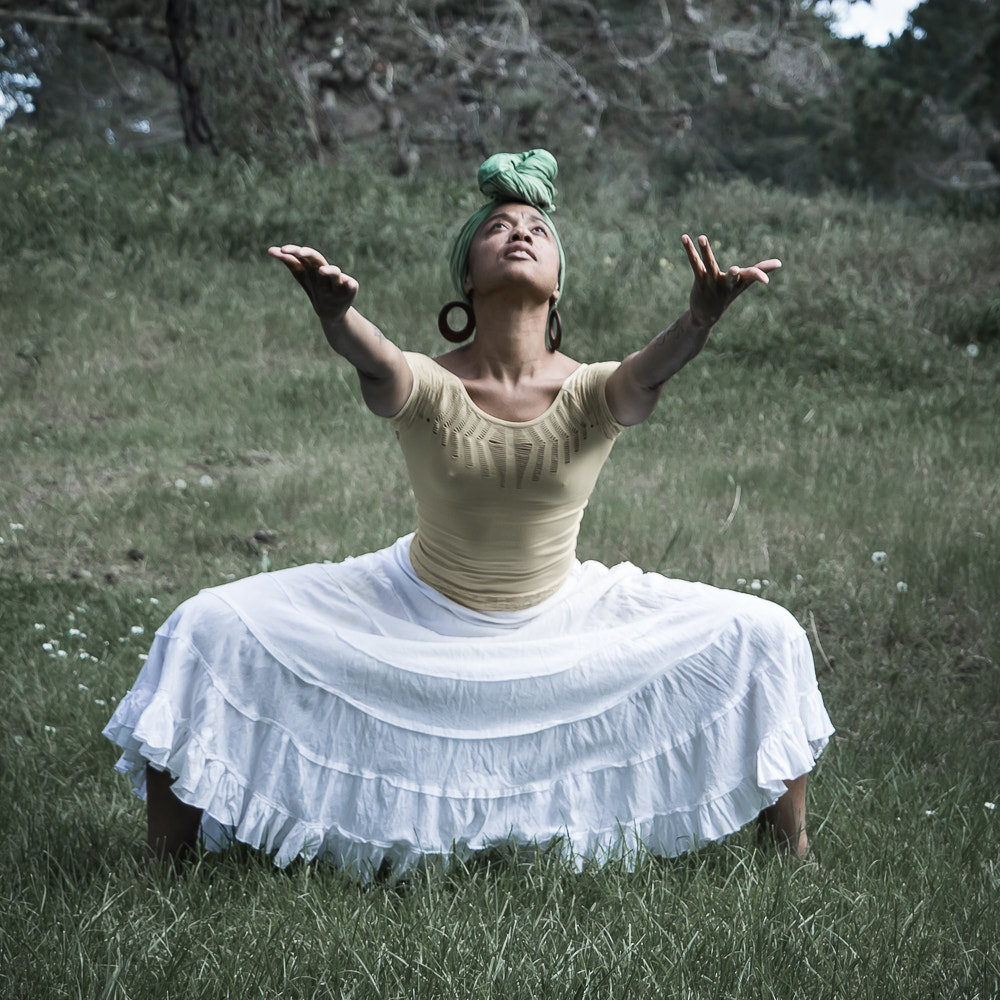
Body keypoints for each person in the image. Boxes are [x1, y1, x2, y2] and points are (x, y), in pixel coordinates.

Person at [104, 149, 833, 877]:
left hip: (561, 617)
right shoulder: (429, 380)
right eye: (498, 228)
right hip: (410, 608)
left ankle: (790, 854)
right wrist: (337, 313)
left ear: (556, 286)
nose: (520, 233)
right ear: (467, 274)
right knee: (205, 624)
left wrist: (699, 319)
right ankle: (163, 867)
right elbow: (379, 362)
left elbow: (653, 368)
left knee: (764, 633)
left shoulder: (593, 390)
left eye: (537, 230)